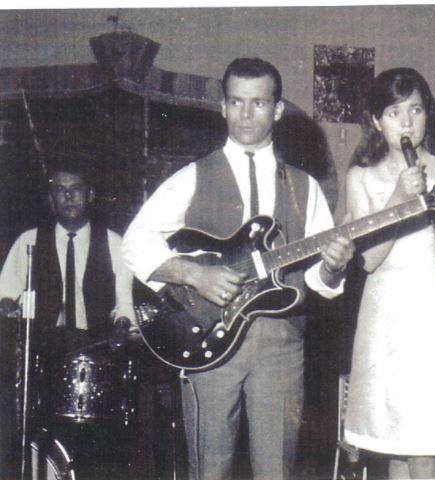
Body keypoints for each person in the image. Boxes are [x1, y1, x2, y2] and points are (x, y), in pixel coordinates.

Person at [122, 57, 354, 480]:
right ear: (223, 107)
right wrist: (194, 275)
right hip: (206, 335)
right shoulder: (192, 176)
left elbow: (319, 281)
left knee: (276, 471)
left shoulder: (305, 187)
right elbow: (135, 241)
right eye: (236, 101)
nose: (246, 114)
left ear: (277, 110)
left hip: (282, 343)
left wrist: (334, 268)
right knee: (209, 470)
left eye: (259, 103)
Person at [342, 67, 435, 479]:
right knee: (396, 446)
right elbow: (370, 260)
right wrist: (399, 199)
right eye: (394, 112)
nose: (406, 122)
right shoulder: (361, 178)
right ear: (376, 121)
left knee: (428, 447)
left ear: (428, 115)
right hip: (385, 321)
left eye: (415, 110)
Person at [0, 157, 136, 478]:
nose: (69, 197)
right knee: (39, 443)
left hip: (98, 354)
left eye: (76, 189)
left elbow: (125, 304)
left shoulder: (116, 243)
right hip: (42, 356)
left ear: (90, 195)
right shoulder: (29, 241)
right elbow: (5, 293)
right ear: (51, 199)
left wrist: (122, 324)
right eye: (60, 190)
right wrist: (8, 305)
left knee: (98, 452)